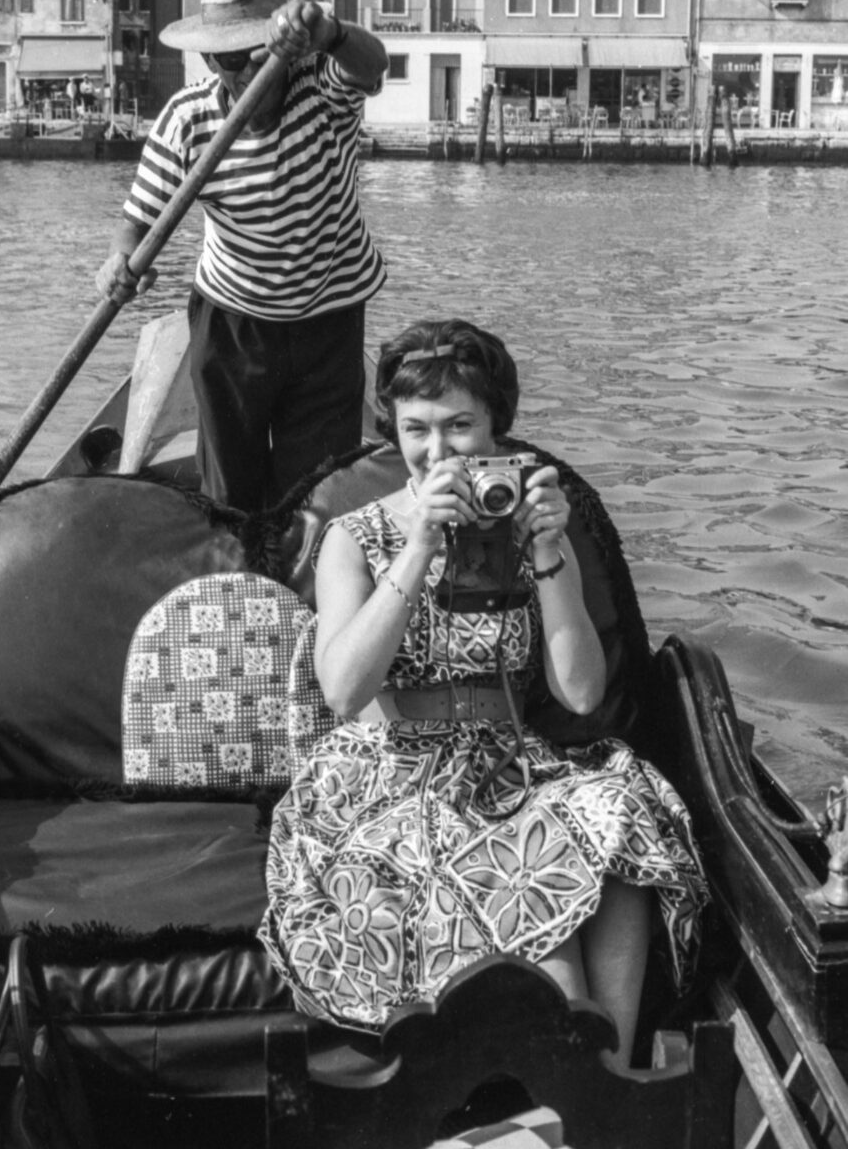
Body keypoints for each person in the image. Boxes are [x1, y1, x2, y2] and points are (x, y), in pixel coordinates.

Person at [259, 318, 709, 1070]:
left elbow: (580, 690)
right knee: (540, 884)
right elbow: (342, 690)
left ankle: (615, 1078)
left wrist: (550, 552)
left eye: (460, 427)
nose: (438, 452)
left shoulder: (522, 521)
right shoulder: (356, 536)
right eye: (416, 430)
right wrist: (420, 546)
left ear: (499, 429)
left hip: (508, 763)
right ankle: (581, 1090)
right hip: (391, 773)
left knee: (620, 822)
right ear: (392, 430)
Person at [95, 0, 388, 511]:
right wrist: (120, 260)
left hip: (330, 314)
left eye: (262, 51)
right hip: (234, 323)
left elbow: (371, 65)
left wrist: (332, 35)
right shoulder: (187, 118)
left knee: (321, 490)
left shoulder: (323, 90)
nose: (252, 68)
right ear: (212, 61)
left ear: (292, 51)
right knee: (231, 493)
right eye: (232, 58)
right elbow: (137, 220)